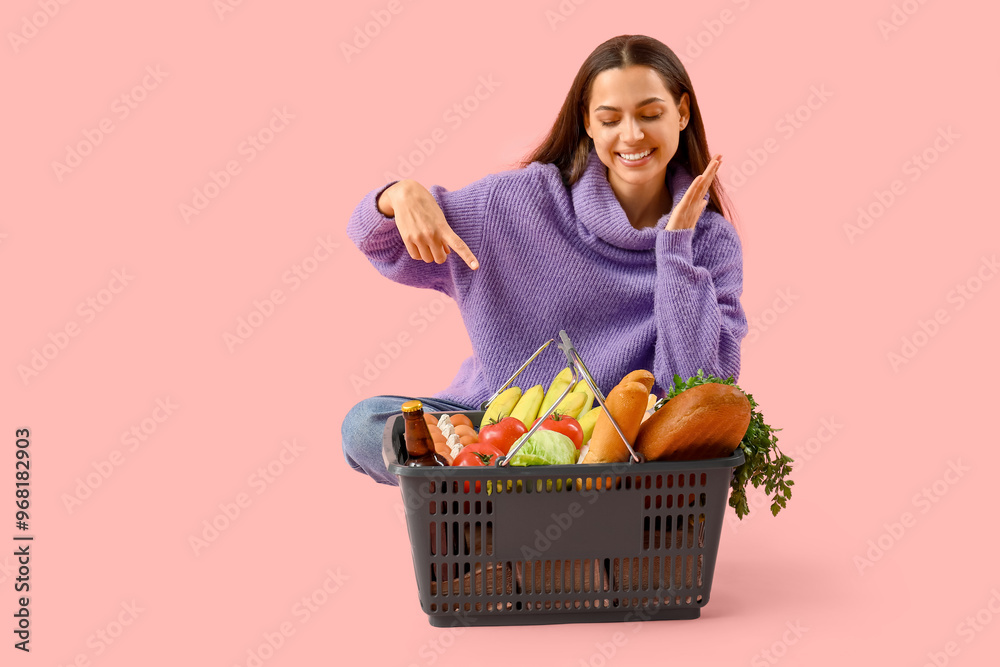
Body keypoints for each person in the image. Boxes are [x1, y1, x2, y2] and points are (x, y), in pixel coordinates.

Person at [342, 34, 748, 485]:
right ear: (587, 123)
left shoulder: (711, 243)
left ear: (683, 113)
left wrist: (675, 249)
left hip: (609, 446)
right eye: (610, 119)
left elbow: (698, 389)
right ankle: (498, 495)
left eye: (651, 114)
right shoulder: (517, 203)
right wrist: (396, 196)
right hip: (486, 425)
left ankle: (484, 509)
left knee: (676, 462)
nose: (632, 135)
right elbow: (379, 240)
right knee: (365, 424)